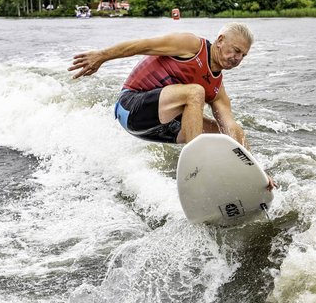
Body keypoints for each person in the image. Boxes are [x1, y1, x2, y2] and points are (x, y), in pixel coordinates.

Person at [69, 22, 276, 189]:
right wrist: (102, 56)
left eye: (243, 55)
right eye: (236, 50)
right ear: (221, 41)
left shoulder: (217, 89)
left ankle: (230, 180)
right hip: (131, 108)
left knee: (221, 132)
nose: (237, 59)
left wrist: (256, 170)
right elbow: (143, 45)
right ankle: (196, 170)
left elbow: (232, 128)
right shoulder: (191, 45)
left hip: (159, 127)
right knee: (195, 92)